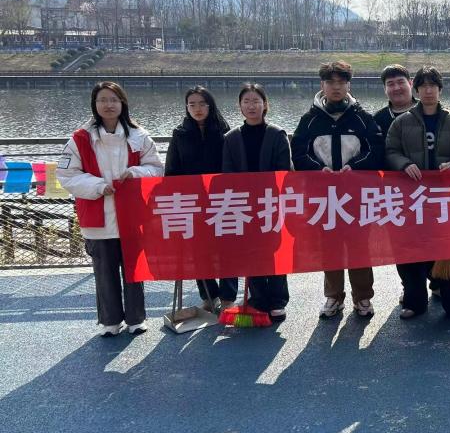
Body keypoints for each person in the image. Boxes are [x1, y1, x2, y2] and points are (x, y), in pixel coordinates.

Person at [57, 81, 163, 337]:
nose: (108, 105)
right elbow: (67, 174)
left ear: (122, 103)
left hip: (132, 216)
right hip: (98, 215)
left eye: (113, 100)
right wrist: (97, 186)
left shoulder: (139, 136)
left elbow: (156, 169)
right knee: (104, 273)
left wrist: (135, 173)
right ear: (94, 104)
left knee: (134, 270)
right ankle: (110, 321)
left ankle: (136, 318)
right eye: (103, 100)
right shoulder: (80, 139)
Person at [291, 61, 384, 319]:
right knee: (329, 246)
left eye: (341, 82)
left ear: (348, 85)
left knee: (359, 247)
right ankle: (333, 297)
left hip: (356, 196)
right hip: (325, 198)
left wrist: (354, 166)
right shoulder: (309, 120)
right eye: (330, 82)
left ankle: (363, 297)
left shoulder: (362, 118)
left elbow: (376, 150)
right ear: (322, 85)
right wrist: (317, 169)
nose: (336, 87)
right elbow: (298, 153)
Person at [385, 66, 450, 322]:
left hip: (444, 200)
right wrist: (404, 164)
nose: (428, 91)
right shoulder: (401, 122)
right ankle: (414, 303)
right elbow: (391, 151)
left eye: (433, 86)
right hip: (412, 200)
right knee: (411, 253)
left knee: (448, 252)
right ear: (416, 90)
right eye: (423, 86)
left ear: (440, 89)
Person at [222, 83, 293, 322]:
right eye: (246, 101)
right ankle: (259, 299)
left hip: (271, 203)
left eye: (256, 101)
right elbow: (227, 173)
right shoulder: (231, 138)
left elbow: (285, 171)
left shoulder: (277, 134)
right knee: (250, 252)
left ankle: (278, 301)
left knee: (274, 252)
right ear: (240, 106)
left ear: (265, 105)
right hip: (242, 205)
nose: (251, 106)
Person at [164, 86, 236, 312]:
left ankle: (228, 297)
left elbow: (232, 167)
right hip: (192, 202)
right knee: (198, 251)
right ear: (186, 107)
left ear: (210, 106)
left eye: (202, 104)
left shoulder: (225, 132)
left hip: (221, 200)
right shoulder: (180, 134)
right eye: (192, 104)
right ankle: (208, 295)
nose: (197, 109)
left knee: (227, 250)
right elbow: (172, 169)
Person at [372, 64, 437, 299]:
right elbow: (377, 155)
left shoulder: (430, 111)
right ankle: (410, 287)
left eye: (401, 82)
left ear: (411, 84)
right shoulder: (377, 120)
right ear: (385, 89)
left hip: (431, 191)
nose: (396, 88)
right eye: (390, 84)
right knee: (402, 243)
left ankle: (437, 280)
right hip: (395, 194)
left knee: (434, 238)